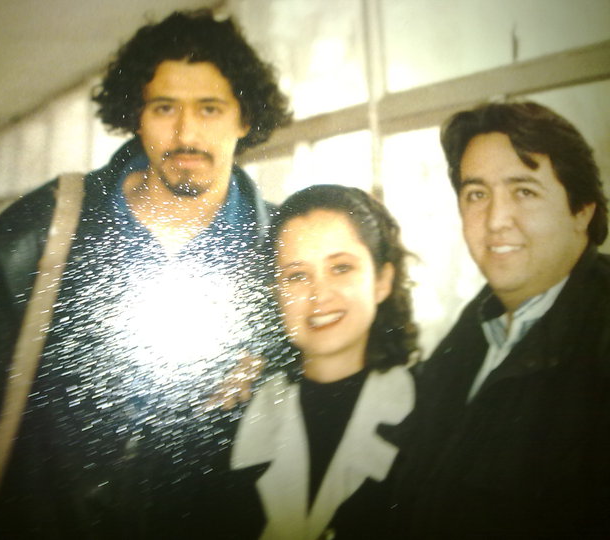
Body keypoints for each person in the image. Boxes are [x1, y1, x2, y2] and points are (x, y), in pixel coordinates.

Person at [0, 9, 291, 538]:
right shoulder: (44, 232)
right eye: (164, 107)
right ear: (136, 117)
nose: (186, 132)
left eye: (210, 109)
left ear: (244, 119)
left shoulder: (284, 259)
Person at [393, 101, 610, 538]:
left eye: (524, 192)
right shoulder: (481, 322)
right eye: (477, 194)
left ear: (582, 210)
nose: (495, 220)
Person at [228, 185, 417, 540]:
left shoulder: (431, 411)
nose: (319, 296)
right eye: (297, 275)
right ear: (275, 294)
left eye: (341, 268)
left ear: (382, 281)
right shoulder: (235, 416)